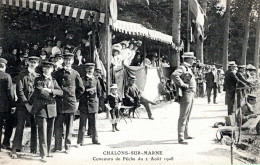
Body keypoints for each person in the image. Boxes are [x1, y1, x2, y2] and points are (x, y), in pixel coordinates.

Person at [52, 53, 84, 154]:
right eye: (66, 60)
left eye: (69, 60)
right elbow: (53, 86)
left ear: (72, 61)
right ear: (63, 61)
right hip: (60, 102)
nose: (68, 62)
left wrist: (75, 98)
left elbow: (81, 89)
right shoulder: (57, 73)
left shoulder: (75, 73)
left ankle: (67, 146)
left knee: (69, 126)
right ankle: (57, 146)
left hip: (70, 102)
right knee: (58, 126)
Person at [31, 61, 63, 161]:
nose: (46, 69)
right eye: (45, 68)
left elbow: (61, 92)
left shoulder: (53, 80)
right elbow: (40, 92)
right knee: (42, 132)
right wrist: (53, 95)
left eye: (49, 68)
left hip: (52, 109)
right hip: (41, 109)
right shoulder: (38, 79)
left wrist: (50, 91)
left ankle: (48, 152)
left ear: (52, 69)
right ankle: (43, 154)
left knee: (50, 131)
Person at [10, 56, 40, 158]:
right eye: (31, 62)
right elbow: (19, 91)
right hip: (23, 105)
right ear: (27, 62)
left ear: (37, 64)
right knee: (20, 125)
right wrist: (26, 104)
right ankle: (16, 147)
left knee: (34, 125)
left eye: (35, 62)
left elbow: (38, 91)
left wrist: (33, 104)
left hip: (34, 105)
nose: (33, 64)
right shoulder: (21, 75)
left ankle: (34, 147)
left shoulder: (38, 76)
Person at [171, 52, 196, 145]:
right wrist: (182, 84)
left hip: (190, 93)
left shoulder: (187, 68)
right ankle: (181, 137)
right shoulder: (182, 67)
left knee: (187, 115)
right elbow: (174, 75)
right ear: (188, 59)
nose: (193, 61)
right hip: (186, 93)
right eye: (192, 59)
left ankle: (185, 134)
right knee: (183, 115)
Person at [77, 63, 101, 147]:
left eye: (92, 68)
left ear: (94, 70)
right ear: (85, 69)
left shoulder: (96, 80)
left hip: (93, 104)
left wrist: (93, 95)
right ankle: (80, 141)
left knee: (94, 123)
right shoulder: (82, 80)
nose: (90, 70)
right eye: (88, 68)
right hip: (84, 104)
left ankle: (95, 139)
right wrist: (86, 92)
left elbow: (99, 92)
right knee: (82, 124)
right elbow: (79, 92)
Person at [0, 58, 16, 151]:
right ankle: (6, 143)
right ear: (4, 66)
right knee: (9, 124)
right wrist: (13, 104)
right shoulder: (6, 76)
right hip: (5, 106)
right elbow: (10, 92)